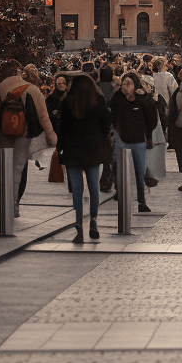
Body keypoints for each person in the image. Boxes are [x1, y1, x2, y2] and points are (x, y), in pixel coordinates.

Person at [0, 60, 57, 218]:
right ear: (18, 71)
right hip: (23, 135)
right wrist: (52, 137)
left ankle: (4, 201)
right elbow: (44, 118)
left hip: (3, 134)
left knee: (3, 169)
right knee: (19, 170)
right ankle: (15, 202)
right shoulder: (32, 89)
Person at [56, 74, 113, 243]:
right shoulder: (98, 100)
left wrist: (60, 148)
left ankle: (79, 225)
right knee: (94, 187)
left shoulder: (66, 102)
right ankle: (93, 220)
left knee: (77, 190)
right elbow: (106, 125)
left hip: (73, 151)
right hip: (93, 150)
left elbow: (62, 129)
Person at [109, 72, 157, 212]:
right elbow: (112, 115)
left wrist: (145, 132)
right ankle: (120, 194)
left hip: (138, 141)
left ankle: (141, 201)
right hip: (122, 141)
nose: (125, 87)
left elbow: (152, 119)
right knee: (119, 169)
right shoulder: (117, 98)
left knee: (139, 171)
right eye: (123, 83)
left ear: (135, 85)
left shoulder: (143, 99)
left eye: (128, 83)